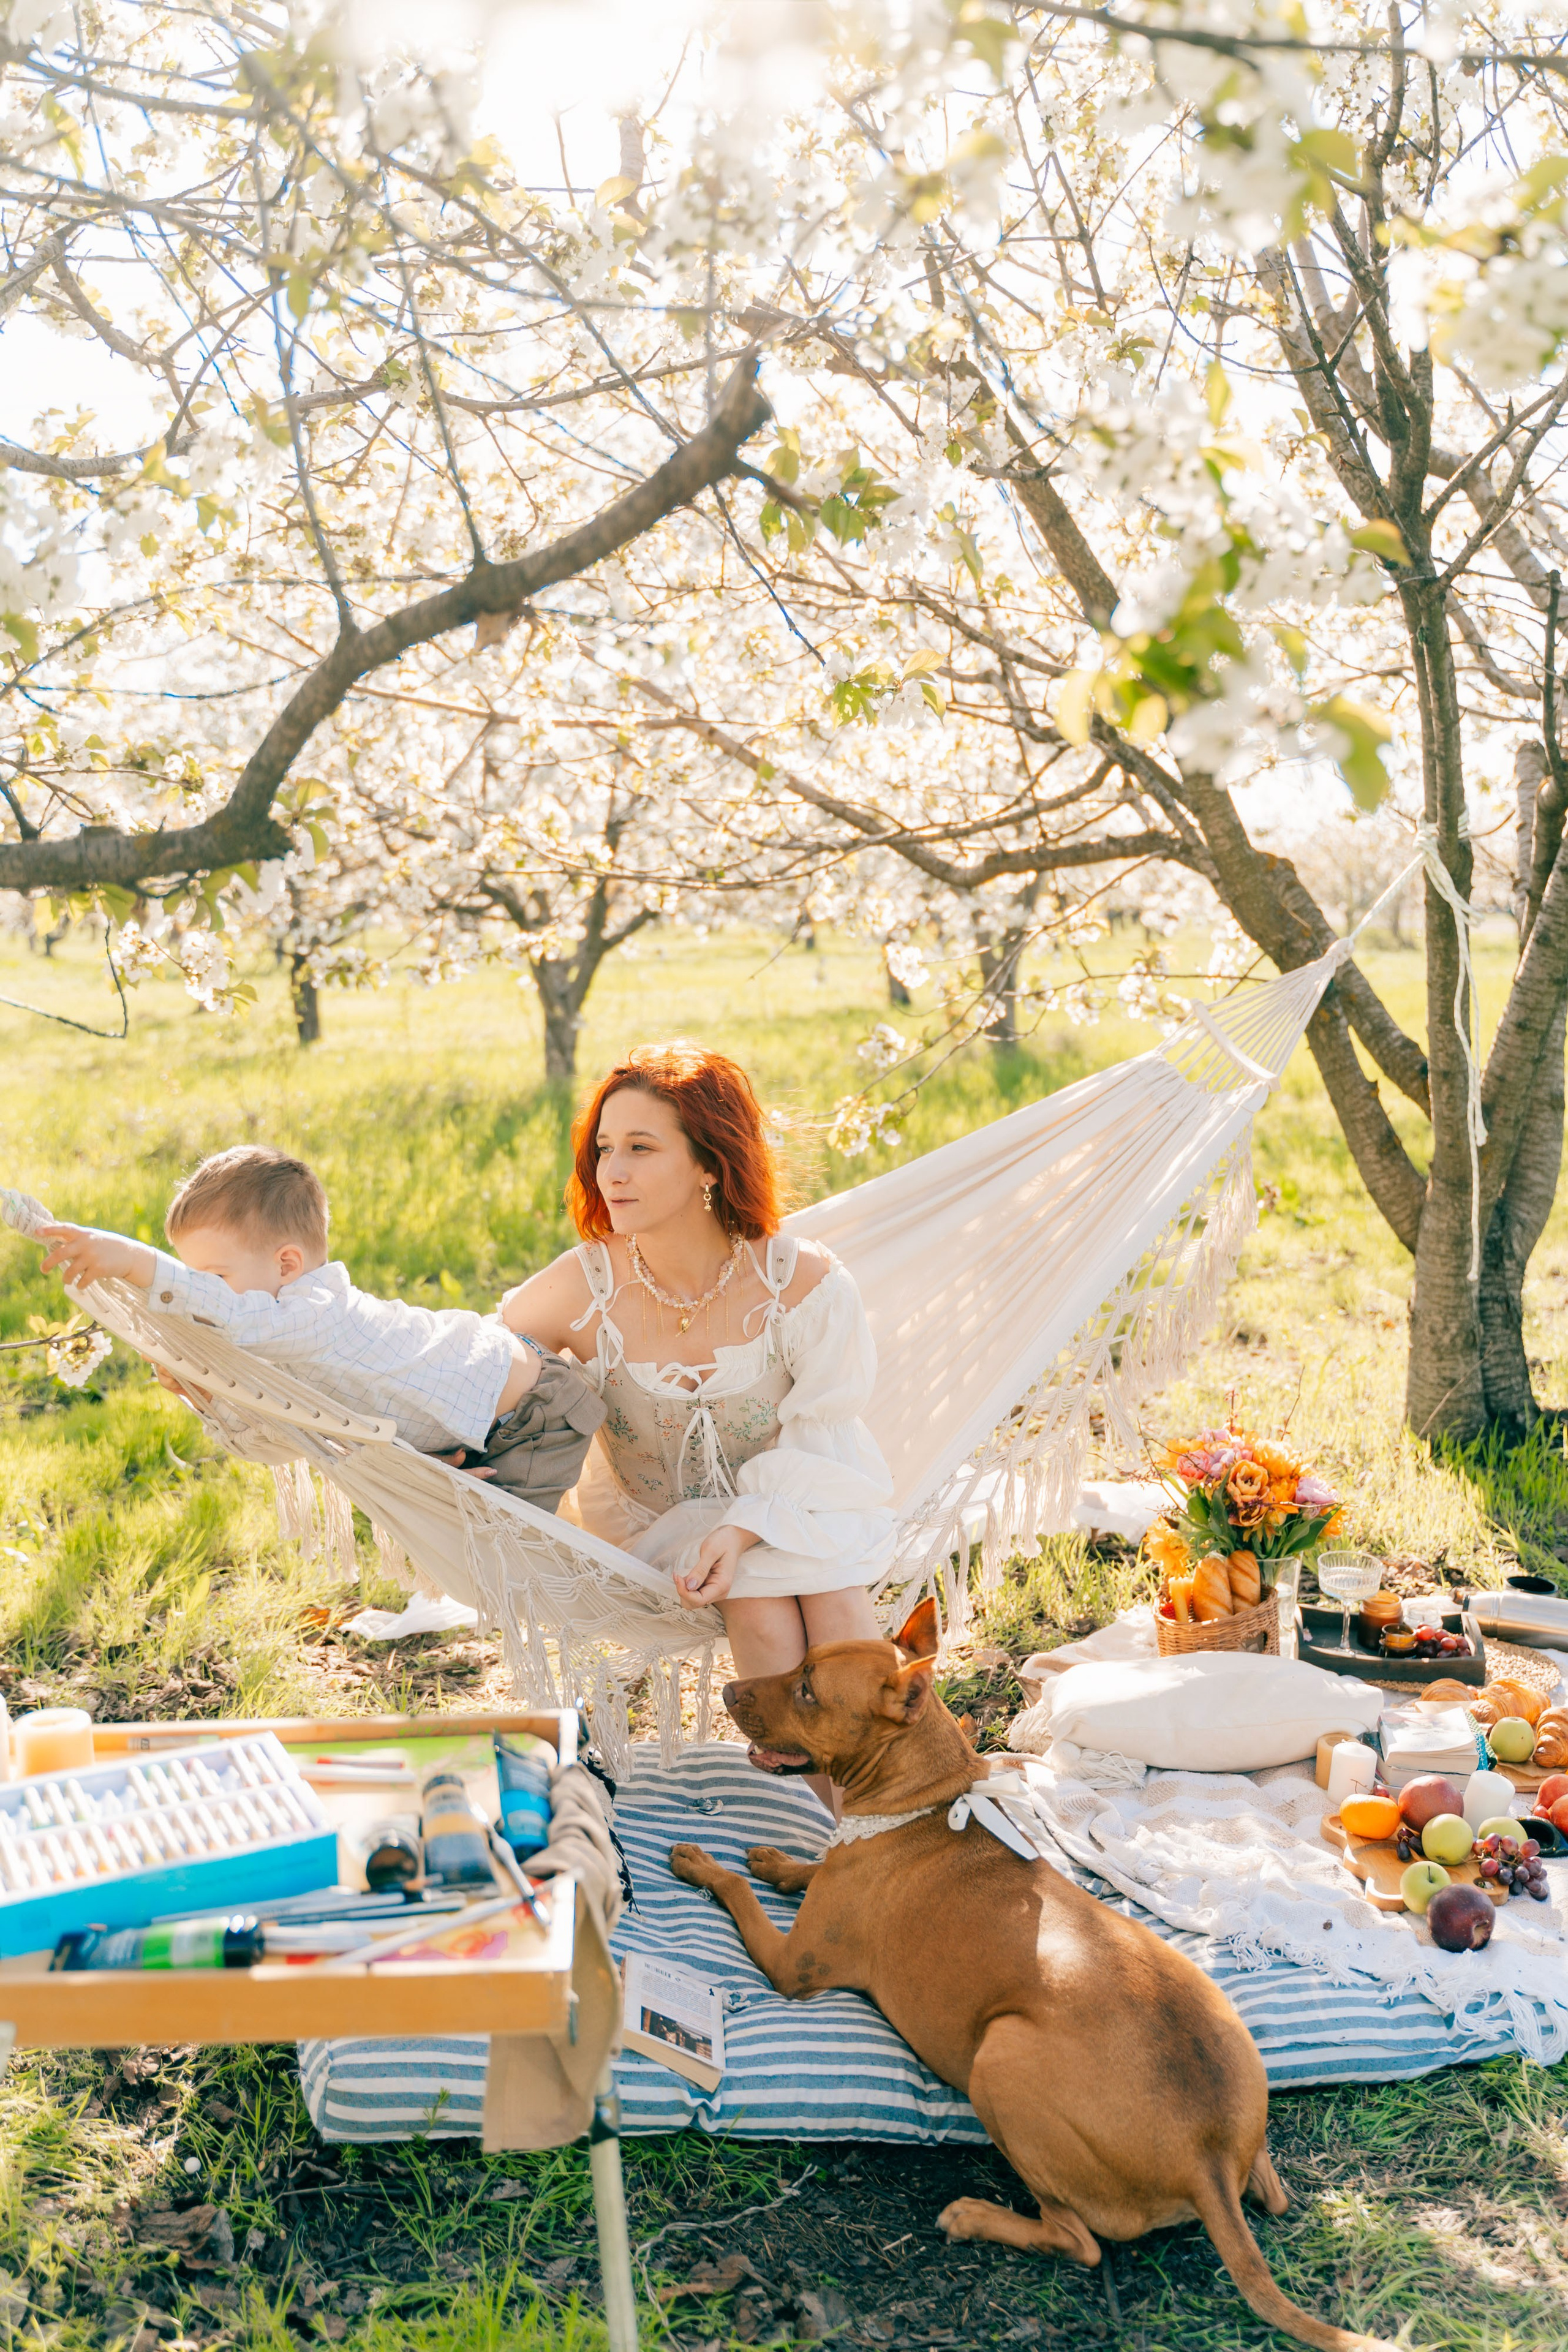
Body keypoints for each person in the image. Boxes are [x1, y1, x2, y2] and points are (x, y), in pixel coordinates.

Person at [499, 1042, 895, 1809]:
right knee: (768, 1584)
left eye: (641, 1149)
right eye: (604, 1149)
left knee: (817, 1587)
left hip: (801, 1499)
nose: (611, 1172)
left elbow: (827, 1437)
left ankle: (870, 1811)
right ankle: (855, 1817)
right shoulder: (585, 1285)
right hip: (655, 1531)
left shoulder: (798, 1280)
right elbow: (478, 1366)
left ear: (711, 1162)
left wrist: (745, 1526)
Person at [31, 1145, 605, 1509]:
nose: (200, 1295)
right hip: (471, 1426)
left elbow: (235, 1314)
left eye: (213, 1276)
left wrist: (134, 1262)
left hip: (535, 1414)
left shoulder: (311, 1313)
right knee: (470, 1545)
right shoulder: (266, 1337)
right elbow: (271, 1442)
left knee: (521, 1563)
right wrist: (202, 1394)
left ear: (287, 1265)